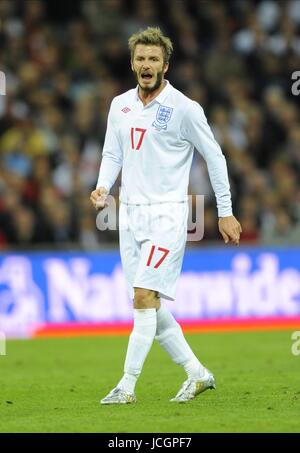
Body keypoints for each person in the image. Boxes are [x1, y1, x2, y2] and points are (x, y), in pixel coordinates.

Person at [90, 27, 242, 404]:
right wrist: (103, 186)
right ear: (132, 63)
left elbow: (215, 156)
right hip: (130, 217)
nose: (146, 64)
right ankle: (198, 374)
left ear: (165, 65)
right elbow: (112, 153)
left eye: (153, 59)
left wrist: (225, 212)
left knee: (143, 297)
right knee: (149, 307)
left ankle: (126, 386)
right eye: (140, 58)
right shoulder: (119, 105)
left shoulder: (185, 109)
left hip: (169, 216)